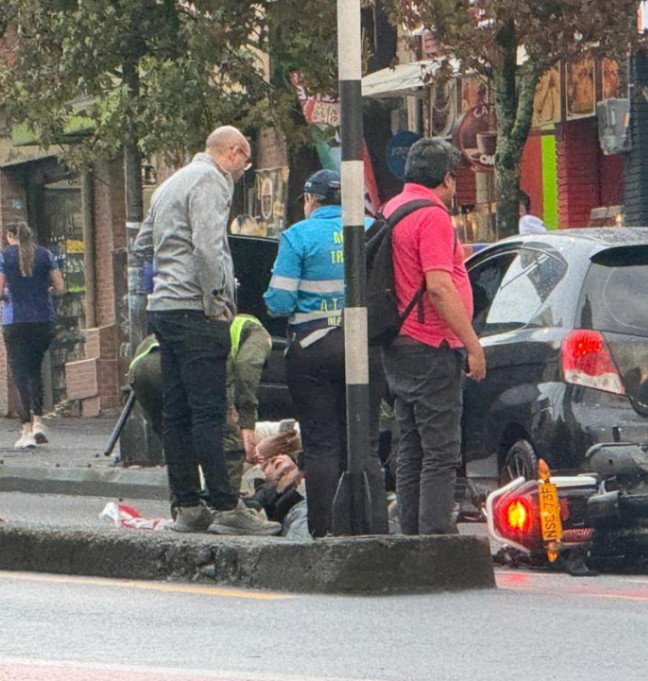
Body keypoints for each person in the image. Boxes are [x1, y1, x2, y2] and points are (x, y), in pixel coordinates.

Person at [132, 125, 280, 536]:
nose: (241, 172)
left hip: (164, 308)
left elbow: (142, 244)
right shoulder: (212, 181)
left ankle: (187, 506)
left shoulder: (169, 184)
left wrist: (168, 265)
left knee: (175, 412)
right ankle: (226, 506)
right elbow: (208, 246)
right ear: (234, 152)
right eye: (245, 164)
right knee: (211, 413)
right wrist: (218, 303)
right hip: (197, 311)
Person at [263, 169, 389, 538]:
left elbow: (280, 301)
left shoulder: (298, 235)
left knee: (321, 444)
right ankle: (369, 525)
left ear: (309, 201)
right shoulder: (375, 229)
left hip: (313, 350)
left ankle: (325, 530)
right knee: (363, 441)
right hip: (366, 347)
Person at [381, 138, 486, 535]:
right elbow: (439, 287)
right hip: (432, 343)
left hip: (399, 344)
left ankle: (411, 533)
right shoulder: (432, 216)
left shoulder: (391, 209)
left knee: (410, 447)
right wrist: (472, 344)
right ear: (445, 178)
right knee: (441, 451)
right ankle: (435, 539)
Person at [128, 314, 272, 497]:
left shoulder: (210, 321)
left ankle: (185, 507)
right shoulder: (259, 333)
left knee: (176, 441)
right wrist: (247, 422)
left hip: (141, 367)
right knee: (228, 437)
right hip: (178, 362)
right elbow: (247, 365)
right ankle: (227, 507)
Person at [0, 222, 65, 449]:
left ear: (9, 236)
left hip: (15, 321)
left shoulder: (4, 257)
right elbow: (59, 286)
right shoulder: (45, 254)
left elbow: (0, 289)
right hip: (42, 320)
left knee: (19, 374)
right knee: (35, 369)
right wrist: (44, 291)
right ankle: (39, 421)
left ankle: (26, 430)